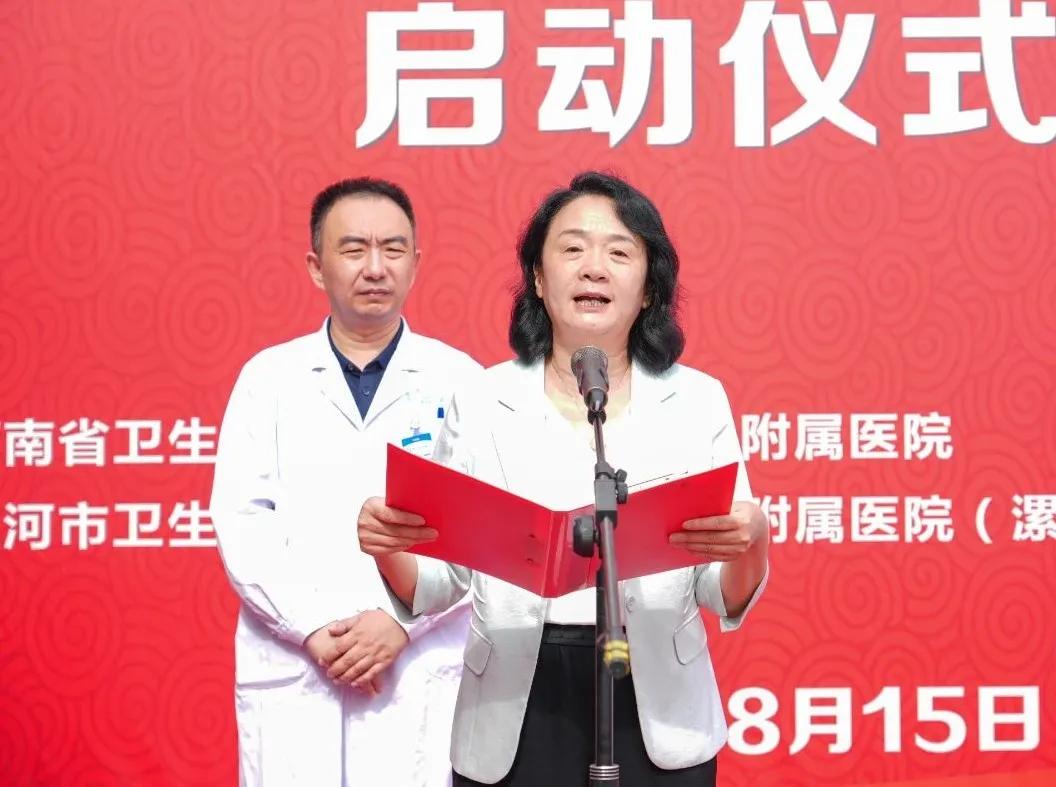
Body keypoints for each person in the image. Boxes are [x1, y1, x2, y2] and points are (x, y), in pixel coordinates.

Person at [358, 171, 770, 786]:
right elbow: (439, 583)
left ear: (648, 288)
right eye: (573, 248)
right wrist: (391, 547)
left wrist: (753, 541)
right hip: (515, 703)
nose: (594, 268)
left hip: (656, 701)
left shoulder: (696, 401)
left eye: (619, 253)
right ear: (538, 277)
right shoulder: (481, 399)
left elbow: (720, 589)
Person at [210, 177, 480, 786]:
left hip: (418, 664)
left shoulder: (460, 379)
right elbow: (242, 521)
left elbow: (482, 536)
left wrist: (401, 623)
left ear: (416, 263)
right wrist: (310, 627)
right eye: (354, 249)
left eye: (393, 249)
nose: (375, 267)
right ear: (317, 266)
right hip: (295, 666)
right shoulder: (268, 379)